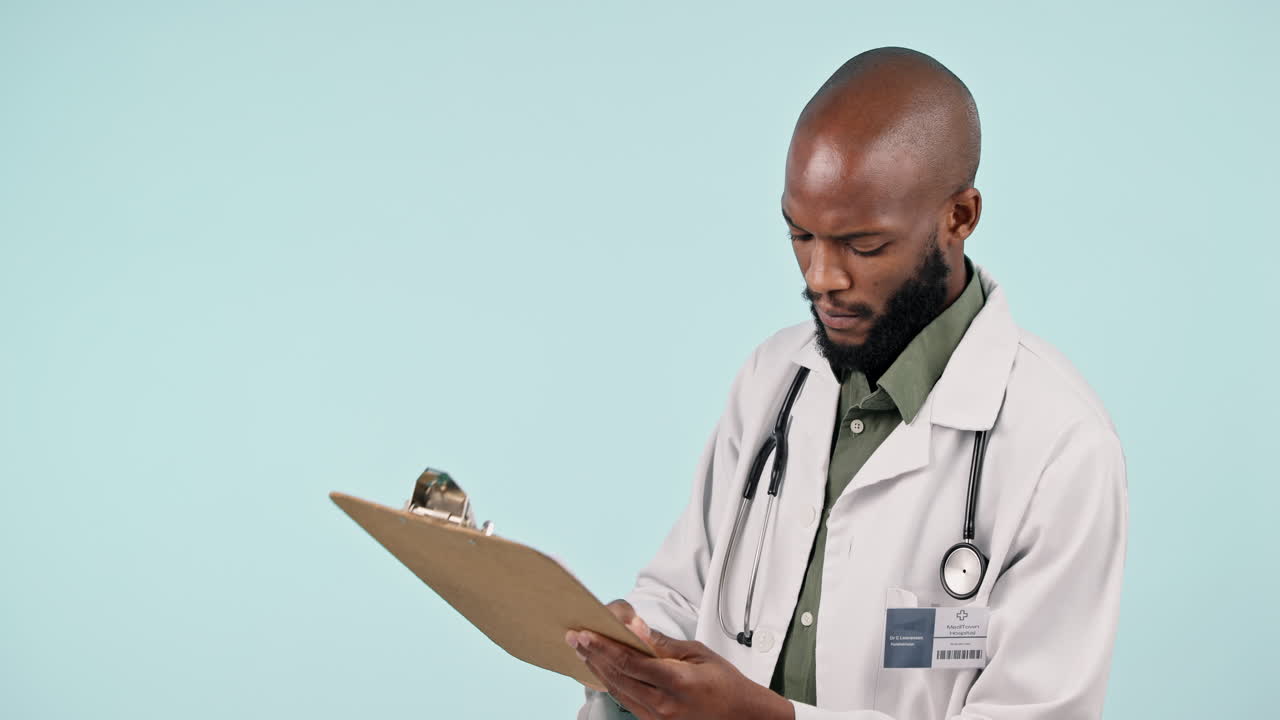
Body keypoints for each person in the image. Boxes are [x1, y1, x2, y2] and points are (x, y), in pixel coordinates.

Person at [566, 46, 1128, 720]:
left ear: (960, 217)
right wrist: (637, 638)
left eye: (862, 246)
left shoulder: (1061, 446)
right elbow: (684, 591)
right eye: (800, 235)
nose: (820, 278)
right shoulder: (774, 378)